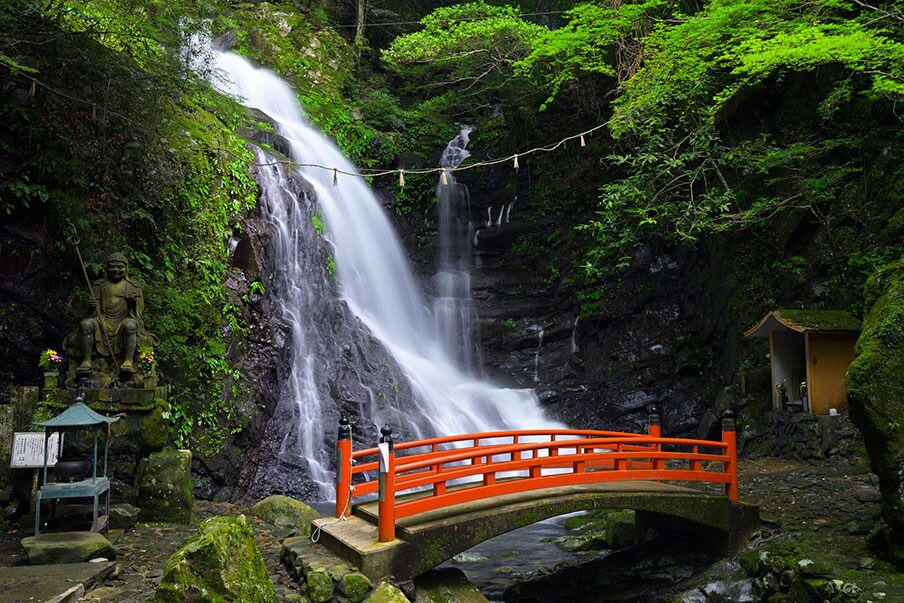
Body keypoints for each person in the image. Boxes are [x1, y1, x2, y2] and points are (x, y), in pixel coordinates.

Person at [74, 252, 157, 373]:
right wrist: (92, 306)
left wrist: (132, 302)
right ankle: (86, 360)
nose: (116, 270)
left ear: (126, 268)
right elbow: (89, 311)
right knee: (85, 324)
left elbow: (139, 312)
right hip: (102, 320)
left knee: (130, 325)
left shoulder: (133, 287)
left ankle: (128, 360)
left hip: (123, 320)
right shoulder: (99, 286)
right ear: (106, 268)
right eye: (112, 267)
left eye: (120, 267)